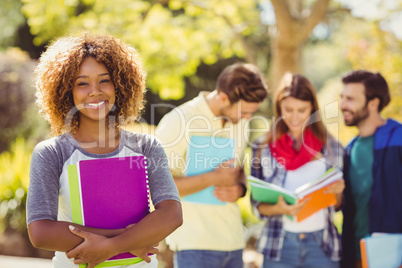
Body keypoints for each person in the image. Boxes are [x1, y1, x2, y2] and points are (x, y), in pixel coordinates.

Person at [26, 33, 183, 268]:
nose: (95, 91)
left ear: (120, 85)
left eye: (104, 80)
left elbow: (171, 214)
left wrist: (110, 247)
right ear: (65, 91)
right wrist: (126, 239)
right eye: (82, 83)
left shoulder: (147, 147)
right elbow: (40, 231)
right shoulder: (51, 153)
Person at [155, 63, 268, 268]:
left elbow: (238, 170)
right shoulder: (179, 120)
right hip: (194, 244)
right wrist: (213, 178)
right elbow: (158, 187)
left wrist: (240, 188)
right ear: (223, 97)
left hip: (233, 241)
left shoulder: (241, 121)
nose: (248, 118)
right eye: (245, 111)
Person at [250, 73, 345, 268]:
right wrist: (280, 209)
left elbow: (338, 206)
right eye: (288, 109)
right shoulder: (262, 147)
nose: (294, 117)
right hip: (279, 247)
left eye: (301, 110)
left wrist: (339, 192)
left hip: (322, 245)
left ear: (312, 108)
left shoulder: (332, 147)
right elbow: (256, 205)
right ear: (279, 108)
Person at [339, 70, 402, 268]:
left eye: (350, 99)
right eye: (342, 97)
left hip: (393, 258)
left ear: (373, 103)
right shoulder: (348, 150)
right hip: (355, 257)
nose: (342, 105)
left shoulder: (399, 139)